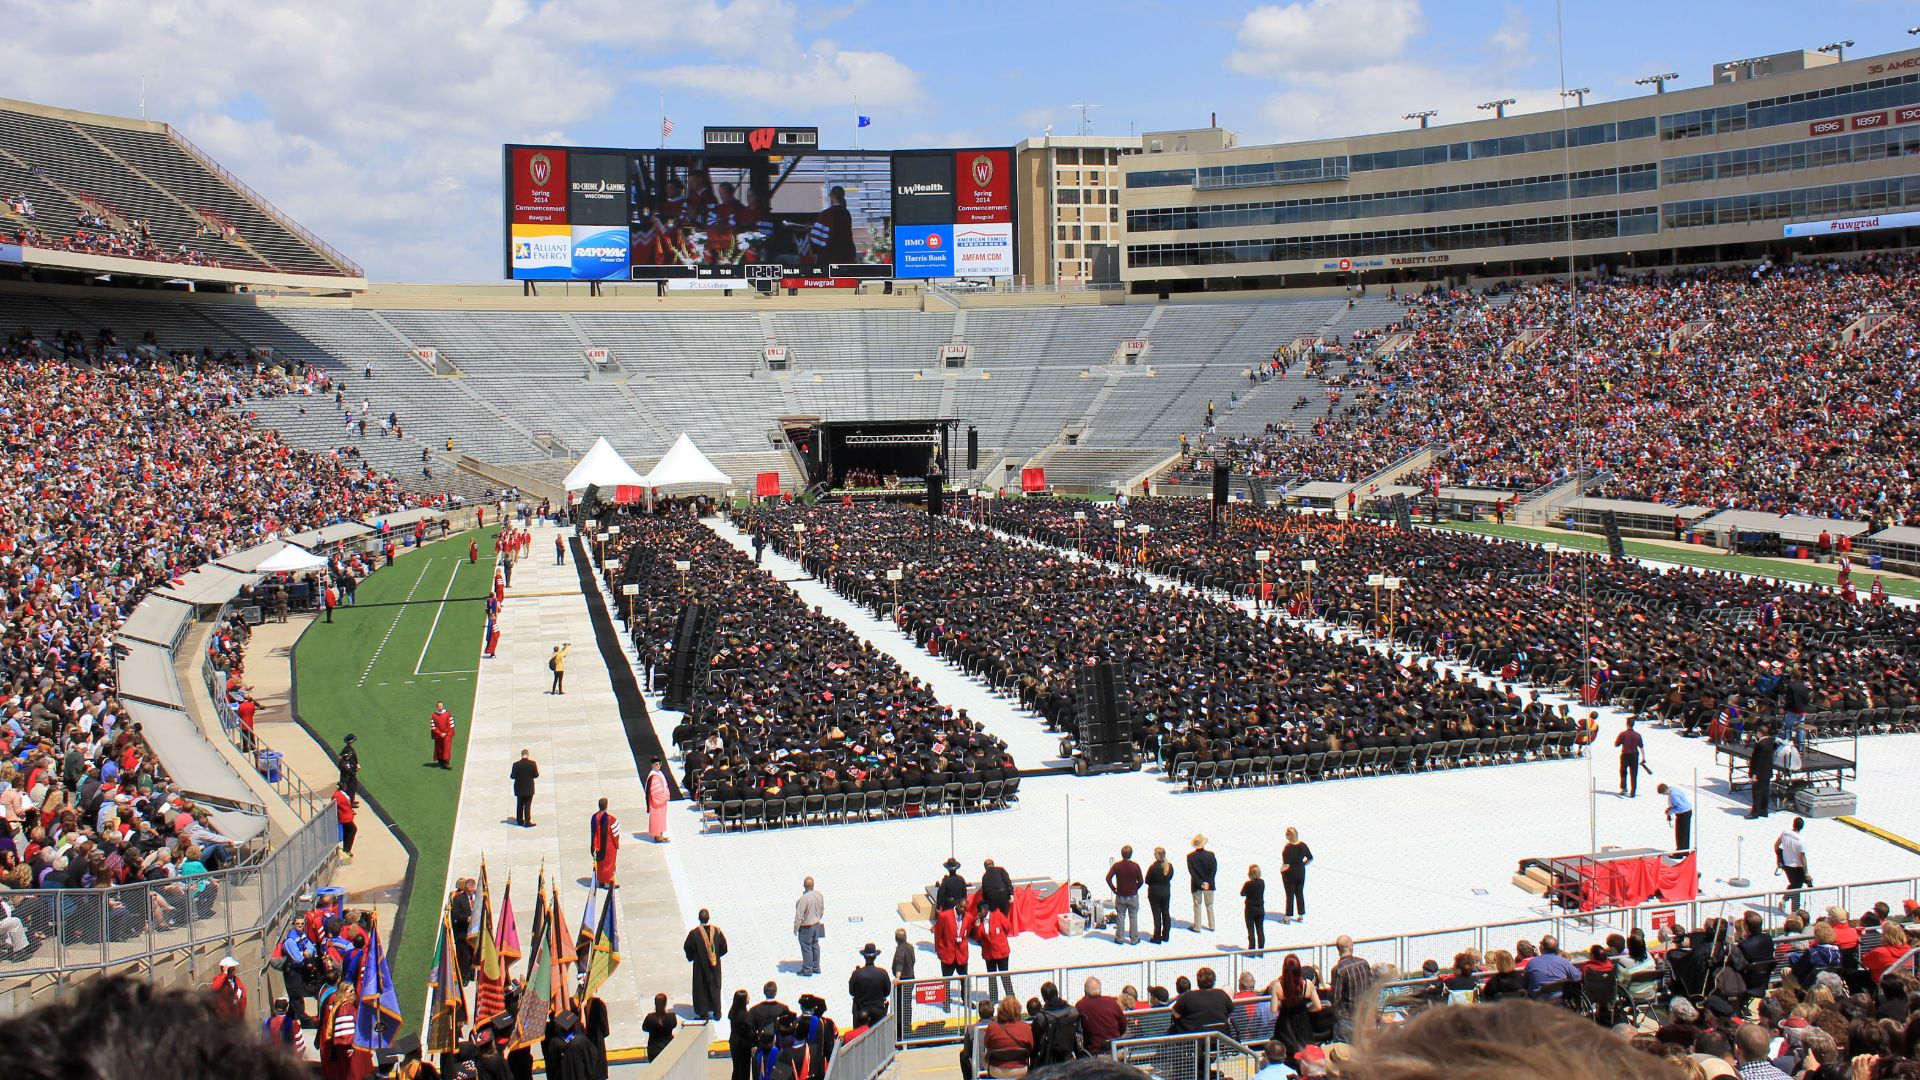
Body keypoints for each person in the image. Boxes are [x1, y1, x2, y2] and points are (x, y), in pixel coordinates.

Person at [1029, 981, 1086, 1067]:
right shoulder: (1072, 1011)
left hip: (1048, 1061)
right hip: (1069, 1057)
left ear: (1044, 998)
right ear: (1057, 993)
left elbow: (1035, 1043)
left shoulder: (1041, 1017)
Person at [685, 908, 728, 1021]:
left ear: (699, 918)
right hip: (715, 966)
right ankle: (717, 1012)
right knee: (715, 987)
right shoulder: (717, 932)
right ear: (709, 918)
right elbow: (724, 947)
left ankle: (703, 1013)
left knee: (701, 988)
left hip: (700, 967)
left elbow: (687, 947)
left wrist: (694, 957)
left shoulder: (694, 934)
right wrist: (716, 957)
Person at [1327, 935, 1372, 1041]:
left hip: (1347, 1019)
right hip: (1365, 1015)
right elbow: (1371, 989)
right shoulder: (1364, 963)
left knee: (1344, 1053)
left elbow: (1336, 998)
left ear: (1338, 950)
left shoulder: (1338, 970)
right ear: (1351, 947)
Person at [980, 996, 1033, 1079]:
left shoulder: (992, 1027)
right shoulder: (1025, 1027)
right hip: (1020, 1069)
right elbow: (1031, 1046)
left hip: (996, 1070)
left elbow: (987, 1045)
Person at [1074, 977, 1126, 1055]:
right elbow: (1123, 1024)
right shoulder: (1112, 1002)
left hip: (1095, 1053)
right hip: (1117, 1050)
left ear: (1085, 991)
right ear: (1100, 990)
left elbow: (1080, 1030)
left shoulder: (1080, 1005)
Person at [976, 900, 1014, 1003]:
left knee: (1005, 976)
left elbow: (1008, 927)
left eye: (979, 911)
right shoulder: (979, 922)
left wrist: (1000, 939)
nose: (978, 913)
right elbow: (978, 936)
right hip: (989, 954)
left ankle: (1011, 998)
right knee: (991, 977)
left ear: (985, 909)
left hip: (1001, 952)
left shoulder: (998, 916)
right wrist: (977, 925)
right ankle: (993, 998)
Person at [1522, 935, 1581, 1000]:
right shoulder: (1564, 962)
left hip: (1538, 1003)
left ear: (1542, 947)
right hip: (1560, 1002)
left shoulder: (1532, 963)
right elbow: (1577, 977)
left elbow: (1524, 983)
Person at [1105, 846, 1143, 945]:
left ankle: (1119, 938)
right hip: (1133, 896)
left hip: (1121, 895)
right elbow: (1141, 881)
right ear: (1131, 854)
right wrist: (1135, 888)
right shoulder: (1135, 866)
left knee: (1120, 916)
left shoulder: (1117, 866)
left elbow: (1108, 878)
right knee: (1133, 917)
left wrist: (1114, 889)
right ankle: (1134, 939)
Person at [849, 942, 892, 1021]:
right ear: (875, 957)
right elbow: (887, 992)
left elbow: (851, 992)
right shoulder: (883, 973)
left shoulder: (856, 973)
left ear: (864, 957)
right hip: (878, 1011)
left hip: (861, 1012)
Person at [1775, 816, 1809, 908]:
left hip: (1786, 864)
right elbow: (1802, 857)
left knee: (1794, 885)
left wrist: (1779, 858)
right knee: (1796, 887)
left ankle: (1785, 900)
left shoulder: (1785, 833)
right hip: (1797, 867)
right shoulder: (1801, 840)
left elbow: (1776, 845)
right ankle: (1794, 908)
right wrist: (1806, 873)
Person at [1279, 828, 1312, 924]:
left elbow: (1286, 865)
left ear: (1290, 836)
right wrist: (1303, 864)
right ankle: (1301, 915)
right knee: (1299, 893)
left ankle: (1287, 918)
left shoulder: (1288, 848)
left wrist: (1281, 871)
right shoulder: (1303, 845)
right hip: (1300, 872)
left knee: (1289, 896)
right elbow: (1310, 858)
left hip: (1289, 875)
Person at [795, 876, 825, 976]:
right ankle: (816, 967)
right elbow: (821, 909)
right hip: (817, 924)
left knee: (806, 947)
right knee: (815, 945)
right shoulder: (819, 895)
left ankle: (807, 969)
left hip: (807, 926)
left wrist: (796, 927)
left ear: (804, 886)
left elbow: (799, 915)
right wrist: (818, 918)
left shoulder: (804, 899)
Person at [1187, 835, 1217, 934]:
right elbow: (1213, 870)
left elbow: (1192, 872)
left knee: (1197, 905)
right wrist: (1207, 882)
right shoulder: (1211, 855)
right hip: (1209, 884)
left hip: (1197, 885)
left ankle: (1197, 926)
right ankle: (1212, 925)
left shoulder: (1190, 857)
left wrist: (1201, 883)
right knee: (1209, 905)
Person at [1747, 724, 1776, 818]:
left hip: (1759, 773)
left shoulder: (1761, 745)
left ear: (1760, 733)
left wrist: (1754, 774)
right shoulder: (1770, 741)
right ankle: (1764, 811)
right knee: (1765, 792)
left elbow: (1758, 761)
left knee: (1757, 793)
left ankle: (1755, 812)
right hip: (1767, 772)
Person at [589, 797, 619, 888]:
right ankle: (607, 882)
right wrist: (616, 843)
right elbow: (615, 834)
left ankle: (601, 880)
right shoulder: (611, 819)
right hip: (608, 844)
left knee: (600, 862)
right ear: (606, 806)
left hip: (596, 844)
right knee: (608, 862)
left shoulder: (594, 817)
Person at [210, 956, 247, 1021]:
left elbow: (242, 992)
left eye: (234, 969)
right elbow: (214, 988)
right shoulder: (220, 979)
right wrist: (224, 974)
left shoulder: (235, 979)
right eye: (231, 969)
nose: (234, 971)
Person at [642, 993, 677, 1061]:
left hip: (654, 1051)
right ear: (665, 1004)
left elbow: (644, 1028)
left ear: (655, 1004)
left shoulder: (650, 1018)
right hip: (668, 1048)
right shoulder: (671, 1017)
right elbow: (674, 1025)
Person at [889, 927, 916, 1017]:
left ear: (896, 939)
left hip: (903, 981)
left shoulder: (900, 950)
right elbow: (914, 960)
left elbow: (899, 964)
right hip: (911, 977)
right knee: (907, 1003)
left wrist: (897, 978)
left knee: (902, 1004)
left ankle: (902, 1025)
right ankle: (907, 1024)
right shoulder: (910, 947)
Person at [1658, 782, 1693, 850]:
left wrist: (1670, 811)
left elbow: (1681, 807)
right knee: (1685, 834)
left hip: (1683, 814)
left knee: (1680, 834)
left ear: (1666, 790)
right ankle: (1685, 851)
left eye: (1663, 793)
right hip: (1687, 811)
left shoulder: (1673, 796)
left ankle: (1679, 853)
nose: (1664, 795)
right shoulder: (1673, 789)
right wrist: (1670, 808)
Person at [1615, 718, 1643, 797]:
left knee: (1623, 772)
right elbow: (1641, 747)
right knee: (1634, 774)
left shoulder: (1623, 734)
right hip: (1634, 756)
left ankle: (1623, 789)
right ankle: (1633, 792)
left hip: (1625, 755)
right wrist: (1643, 757)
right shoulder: (1637, 735)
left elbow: (1616, 744)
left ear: (1627, 724)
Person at [510, 750, 538, 827]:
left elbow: (512, 776)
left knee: (519, 804)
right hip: (529, 788)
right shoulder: (532, 763)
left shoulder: (516, 764)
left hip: (519, 788)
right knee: (527, 804)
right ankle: (527, 821)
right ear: (527, 755)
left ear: (521, 755)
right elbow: (536, 775)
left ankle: (519, 820)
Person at [1241, 865, 1267, 951]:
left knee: (1251, 931)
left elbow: (1242, 893)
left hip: (1250, 909)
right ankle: (1261, 950)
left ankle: (1252, 949)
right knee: (1260, 930)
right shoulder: (1262, 882)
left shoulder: (1248, 884)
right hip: (1260, 908)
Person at [647, 759, 671, 843]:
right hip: (656, 802)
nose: (658, 766)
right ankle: (657, 836)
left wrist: (666, 795)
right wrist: (664, 797)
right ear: (652, 765)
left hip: (662, 801)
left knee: (661, 818)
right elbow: (655, 791)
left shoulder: (660, 773)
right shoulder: (653, 776)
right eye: (656, 764)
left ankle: (660, 834)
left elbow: (665, 785)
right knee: (657, 818)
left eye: (659, 764)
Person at [429, 701, 456, 770]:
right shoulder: (434, 715)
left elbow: (450, 725)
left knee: (446, 748)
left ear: (443, 706)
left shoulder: (447, 714)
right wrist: (440, 733)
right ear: (437, 707)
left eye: (441, 706)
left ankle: (446, 763)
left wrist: (445, 733)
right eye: (439, 706)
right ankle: (441, 761)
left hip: (447, 735)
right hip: (439, 735)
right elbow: (433, 726)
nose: (440, 707)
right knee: (439, 747)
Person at [333, 785, 357, 859]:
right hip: (345, 817)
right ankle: (347, 849)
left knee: (347, 831)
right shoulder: (341, 795)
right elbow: (345, 805)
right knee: (353, 829)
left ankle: (346, 849)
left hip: (344, 816)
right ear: (344, 787)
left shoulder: (337, 794)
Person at [337, 734, 360, 803]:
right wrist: (354, 774)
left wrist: (356, 764)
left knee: (353, 787)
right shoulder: (345, 761)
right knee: (350, 788)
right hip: (348, 776)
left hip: (351, 772)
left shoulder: (348, 750)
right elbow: (347, 769)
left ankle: (351, 800)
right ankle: (350, 802)